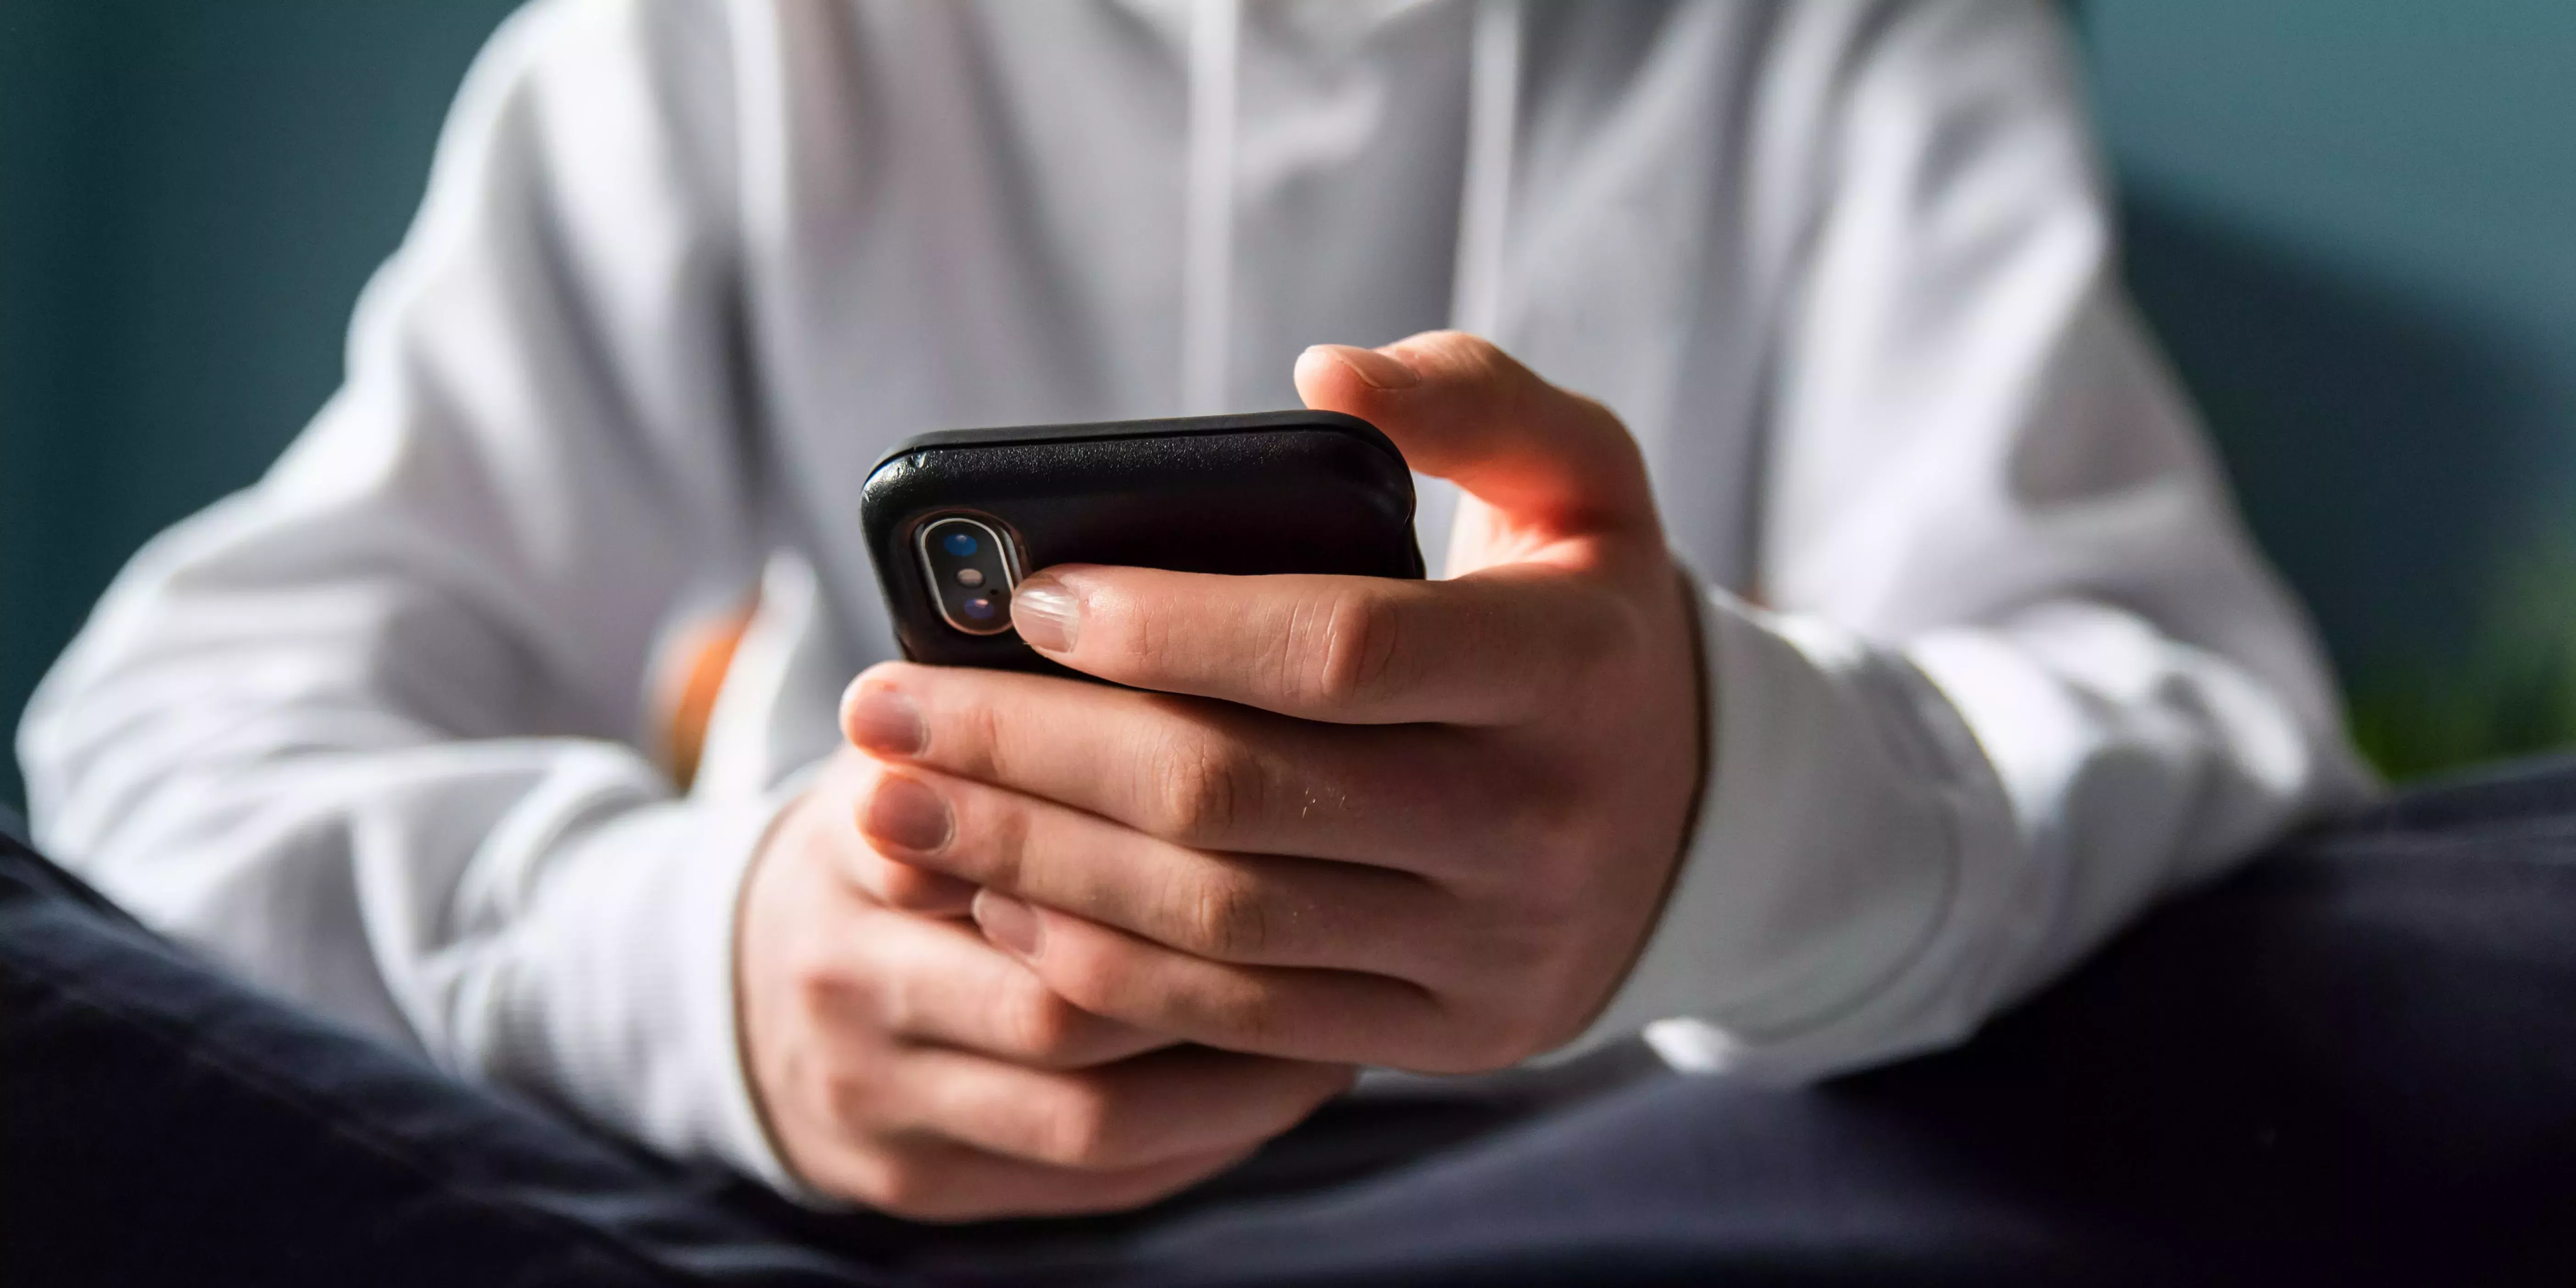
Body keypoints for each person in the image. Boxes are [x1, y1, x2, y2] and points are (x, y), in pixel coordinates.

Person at [18, 0, 2373, 1244]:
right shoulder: (721, 42)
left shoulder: (1851, 32)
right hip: (860, 1211)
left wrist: (1710, 821)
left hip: (1628, 1178)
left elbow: (2182, 703)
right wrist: (706, 964)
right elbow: (175, 716)